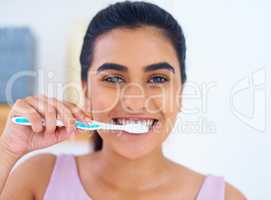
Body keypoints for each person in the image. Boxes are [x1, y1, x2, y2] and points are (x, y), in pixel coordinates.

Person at [0, 1, 246, 199]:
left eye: (158, 79)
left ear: (180, 92)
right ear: (86, 91)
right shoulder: (37, 179)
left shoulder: (225, 197)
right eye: (114, 78)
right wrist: (7, 150)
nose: (135, 102)